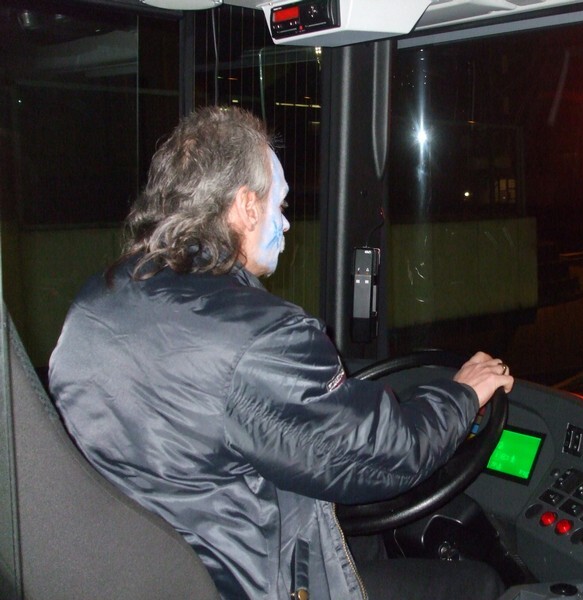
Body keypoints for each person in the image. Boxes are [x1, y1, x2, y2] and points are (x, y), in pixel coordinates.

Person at [49, 105, 513, 600]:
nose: (286, 224)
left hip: (152, 572)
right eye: (281, 205)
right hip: (247, 583)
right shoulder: (263, 335)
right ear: (246, 206)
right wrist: (463, 395)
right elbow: (390, 454)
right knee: (480, 584)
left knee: (368, 544)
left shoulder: (96, 303)